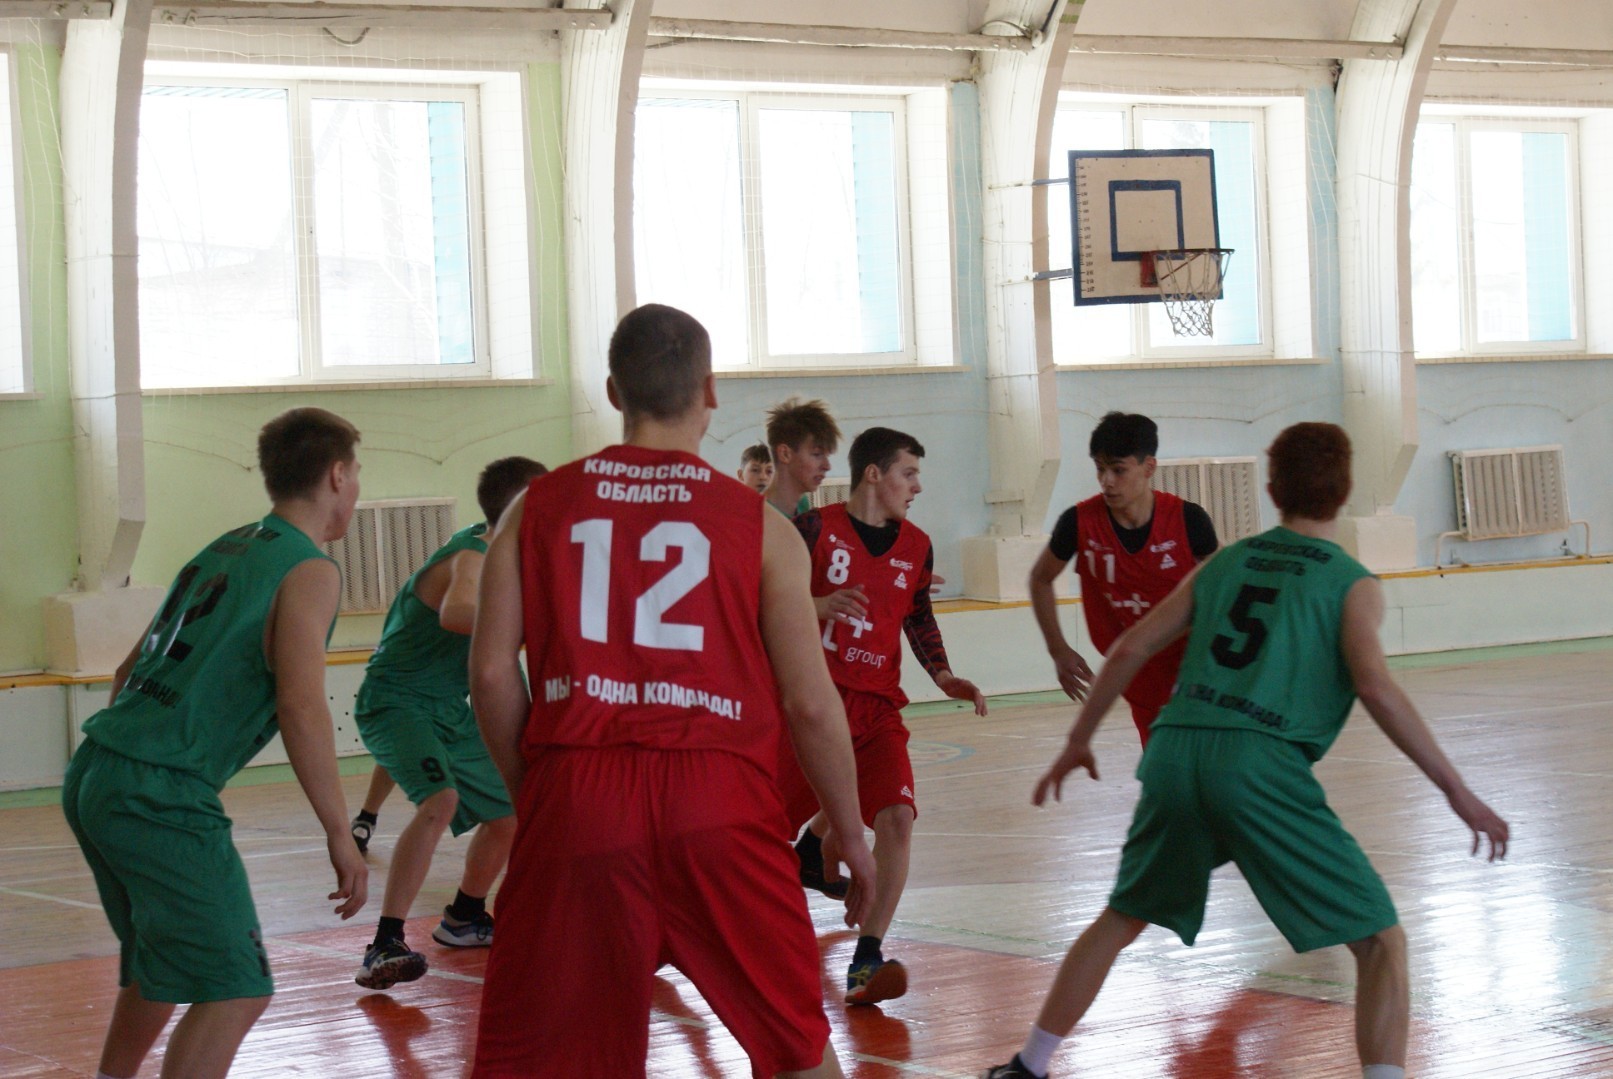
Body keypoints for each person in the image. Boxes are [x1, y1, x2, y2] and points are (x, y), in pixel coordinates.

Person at [982, 422, 1510, 1079]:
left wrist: (1077, 740)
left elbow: (1130, 646)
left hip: (1176, 749)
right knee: (1380, 942)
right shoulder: (1352, 583)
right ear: (1345, 490)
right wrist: (1457, 791)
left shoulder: (1224, 562)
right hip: (1257, 764)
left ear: (1270, 488)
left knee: (1121, 917)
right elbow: (1375, 687)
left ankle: (1027, 1065)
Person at [468, 303, 876, 1077]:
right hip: (718, 799)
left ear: (613, 391)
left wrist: (543, 794)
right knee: (796, 1048)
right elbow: (810, 703)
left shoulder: (535, 506)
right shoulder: (761, 526)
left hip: (578, 787)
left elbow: (489, 674)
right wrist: (849, 834)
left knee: (548, 1060)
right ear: (709, 391)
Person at [62, 407, 368, 1079]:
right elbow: (301, 706)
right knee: (236, 987)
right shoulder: (309, 569)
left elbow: (126, 671)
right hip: (158, 790)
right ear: (337, 475)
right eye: (356, 475)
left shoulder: (226, 545)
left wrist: (135, 755)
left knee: (160, 963)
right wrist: (339, 831)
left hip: (97, 768)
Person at [777, 426, 988, 1006]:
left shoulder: (917, 545)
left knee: (896, 819)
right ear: (874, 474)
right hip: (809, 706)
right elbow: (761, 597)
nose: (917, 487)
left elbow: (917, 616)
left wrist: (943, 674)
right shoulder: (812, 529)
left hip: (877, 709)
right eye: (908, 474)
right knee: (754, 835)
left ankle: (866, 958)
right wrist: (815, 605)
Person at [353, 456, 548, 989]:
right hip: (395, 700)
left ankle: (464, 916)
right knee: (440, 800)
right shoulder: (473, 556)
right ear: (523, 509)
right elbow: (457, 612)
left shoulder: (500, 550)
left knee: (508, 813)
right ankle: (384, 943)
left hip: (446, 706)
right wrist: (532, 623)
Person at [1027, 411, 1217, 743]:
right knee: (1160, 760)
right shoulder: (1078, 522)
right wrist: (1058, 649)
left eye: (1118, 470)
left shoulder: (1189, 520)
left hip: (1192, 663)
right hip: (1134, 667)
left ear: (1149, 467)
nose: (1107, 481)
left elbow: (1223, 586)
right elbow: (1040, 579)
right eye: (1100, 469)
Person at [763, 396, 841, 519]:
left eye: (827, 456)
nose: (827, 466)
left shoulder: (802, 504)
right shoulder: (759, 518)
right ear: (785, 454)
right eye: (817, 454)